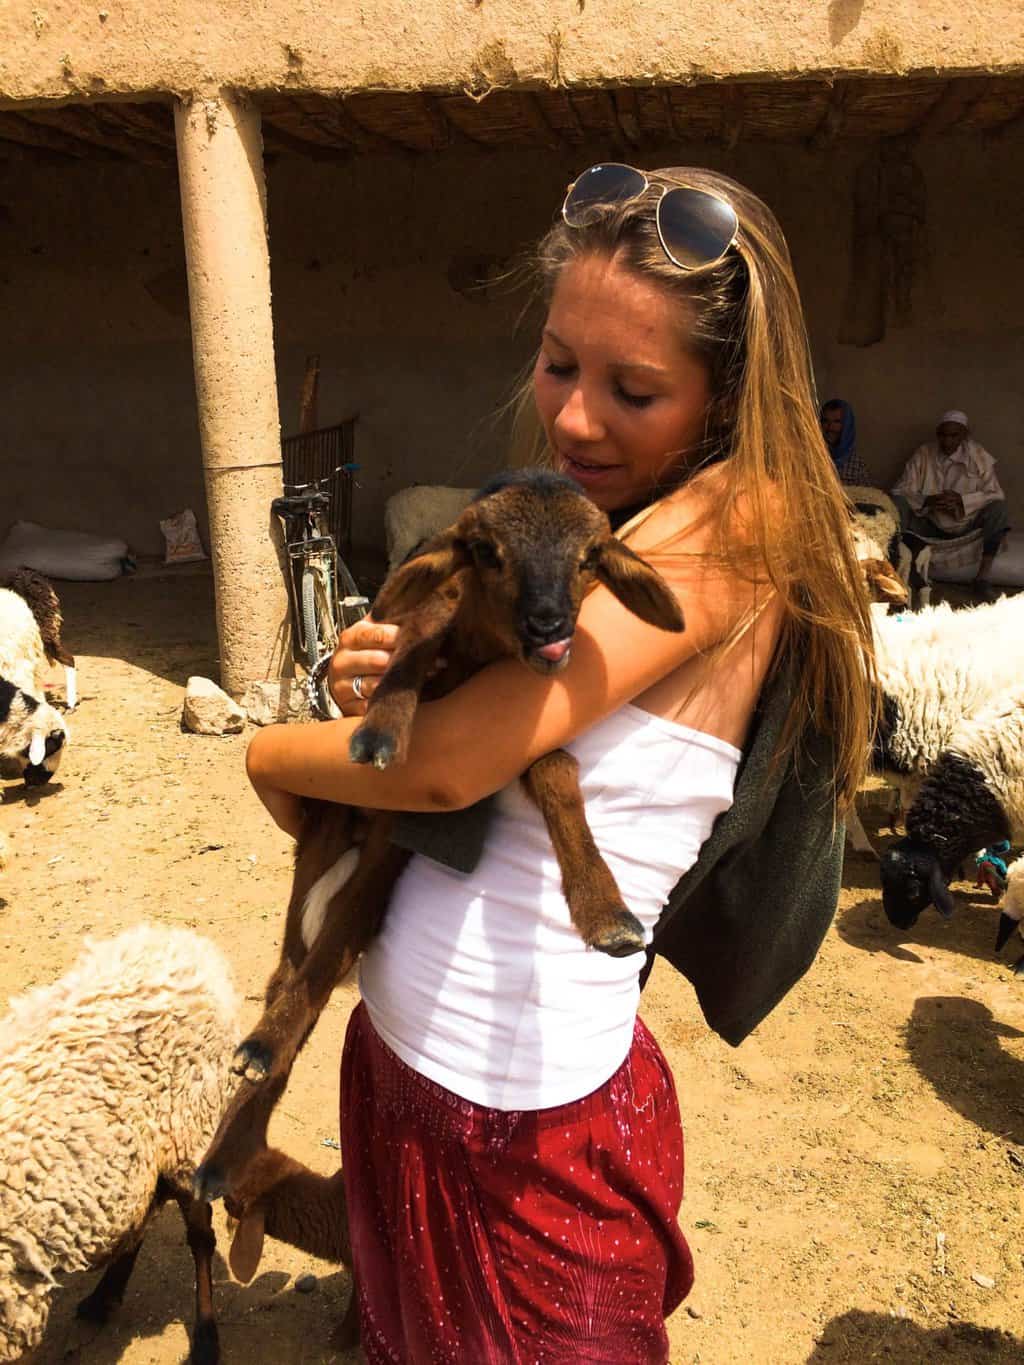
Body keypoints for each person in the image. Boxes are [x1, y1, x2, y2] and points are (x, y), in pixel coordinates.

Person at [244, 165, 875, 1363]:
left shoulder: (725, 532)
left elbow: (443, 772)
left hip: (528, 1133)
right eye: (558, 365)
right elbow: (434, 741)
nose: (574, 417)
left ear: (726, 396)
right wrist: (379, 683)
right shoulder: (602, 521)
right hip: (408, 1067)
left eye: (633, 389)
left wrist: (273, 755)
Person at [892, 410, 1009, 598]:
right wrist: (929, 500)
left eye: (953, 436)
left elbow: (996, 493)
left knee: (998, 509)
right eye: (943, 435)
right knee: (897, 503)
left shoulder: (978, 455)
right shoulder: (924, 453)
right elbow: (900, 490)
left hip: (966, 527)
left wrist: (962, 500)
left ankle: (982, 578)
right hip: (929, 524)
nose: (947, 441)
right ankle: (895, 571)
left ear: (964, 435)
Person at [820, 397, 873, 485]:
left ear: (847, 426)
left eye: (836, 422)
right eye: (825, 421)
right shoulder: (810, 458)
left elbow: (865, 495)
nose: (830, 427)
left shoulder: (857, 465)